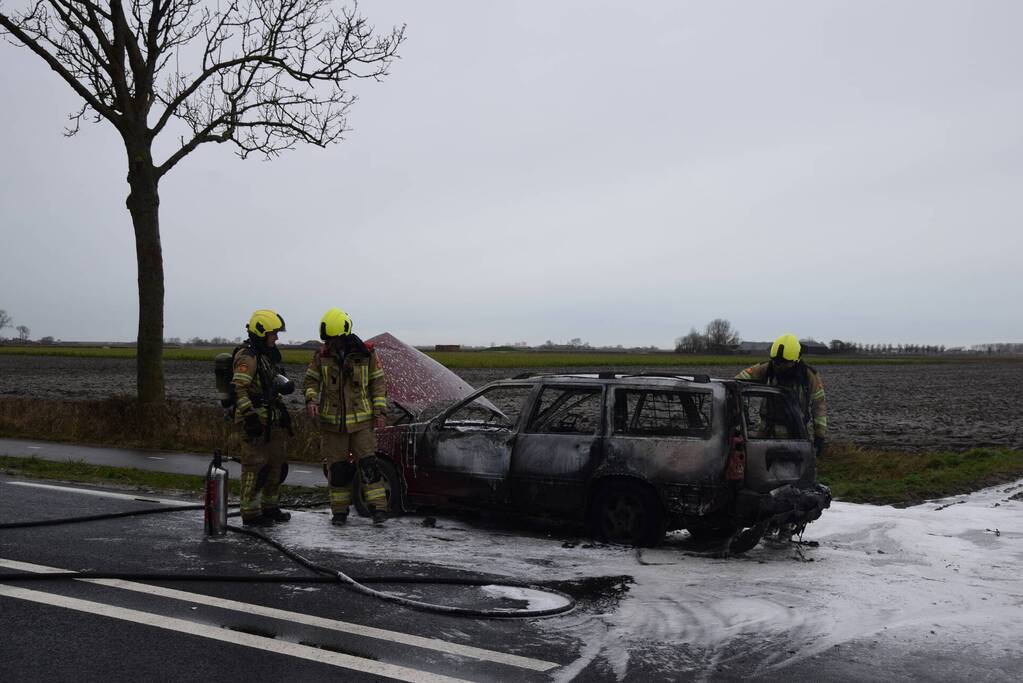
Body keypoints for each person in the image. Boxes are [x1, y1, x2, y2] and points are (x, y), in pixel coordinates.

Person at [303, 308, 388, 526]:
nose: (332, 343)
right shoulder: (321, 356)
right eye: (329, 340)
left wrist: (380, 412)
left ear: (344, 334)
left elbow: (378, 384)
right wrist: (310, 399)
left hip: (362, 423)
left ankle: (378, 510)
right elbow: (311, 381)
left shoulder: (367, 354)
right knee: (338, 469)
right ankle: (339, 513)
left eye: (335, 339)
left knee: (369, 465)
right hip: (332, 424)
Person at [232, 309, 295, 526]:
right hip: (256, 421)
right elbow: (238, 389)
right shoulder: (247, 357)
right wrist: (249, 418)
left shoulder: (267, 356)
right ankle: (250, 513)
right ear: (261, 332)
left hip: (272, 419)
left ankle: (270, 507)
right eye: (273, 333)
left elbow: (273, 381)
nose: (276, 338)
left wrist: (284, 385)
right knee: (254, 468)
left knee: (275, 466)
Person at [735, 333, 828, 458]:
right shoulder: (768, 368)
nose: (779, 366)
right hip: (766, 433)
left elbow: (819, 407)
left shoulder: (809, 376)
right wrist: (738, 397)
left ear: (796, 359)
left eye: (784, 363)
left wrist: (820, 436)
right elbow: (738, 380)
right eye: (776, 362)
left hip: (796, 435)